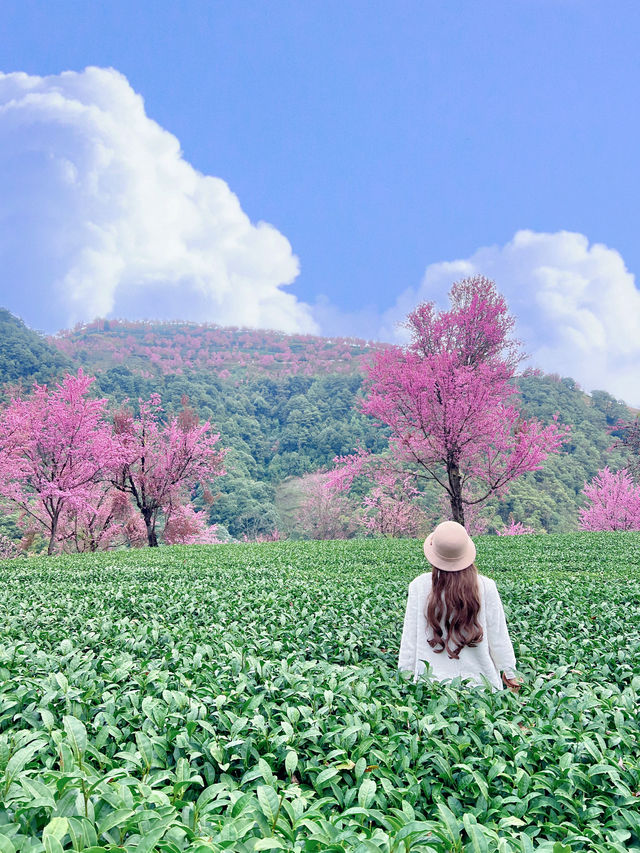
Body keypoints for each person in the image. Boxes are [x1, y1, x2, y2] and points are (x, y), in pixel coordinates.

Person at [398, 520, 522, 692]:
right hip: (481, 687)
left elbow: (409, 640)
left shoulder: (419, 586)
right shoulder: (485, 586)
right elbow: (498, 637)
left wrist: (404, 676)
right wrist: (510, 673)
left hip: (432, 689)